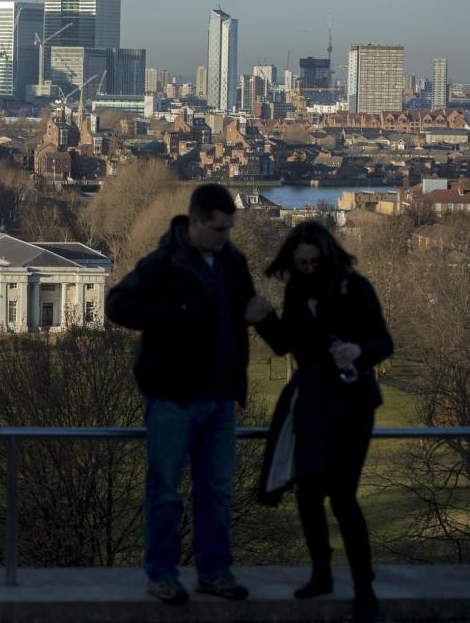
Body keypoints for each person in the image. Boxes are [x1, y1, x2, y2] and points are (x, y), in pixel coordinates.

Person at [105, 183, 273, 605]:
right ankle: (161, 575)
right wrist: (172, 315)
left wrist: (260, 317)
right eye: (218, 229)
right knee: (164, 490)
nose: (225, 237)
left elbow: (242, 308)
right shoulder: (165, 263)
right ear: (195, 222)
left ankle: (214, 572)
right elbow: (117, 305)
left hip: (220, 397)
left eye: (229, 229)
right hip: (172, 398)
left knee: (217, 491)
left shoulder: (233, 262)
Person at [255, 222, 392, 623]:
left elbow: (384, 342)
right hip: (313, 402)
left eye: (314, 262)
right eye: (301, 264)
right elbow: (286, 345)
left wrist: (358, 350)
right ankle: (322, 574)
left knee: (344, 497)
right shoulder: (297, 289)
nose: (308, 269)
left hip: (352, 404)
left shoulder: (357, 288)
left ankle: (364, 589)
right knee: (308, 493)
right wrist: (262, 319)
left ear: (328, 257)